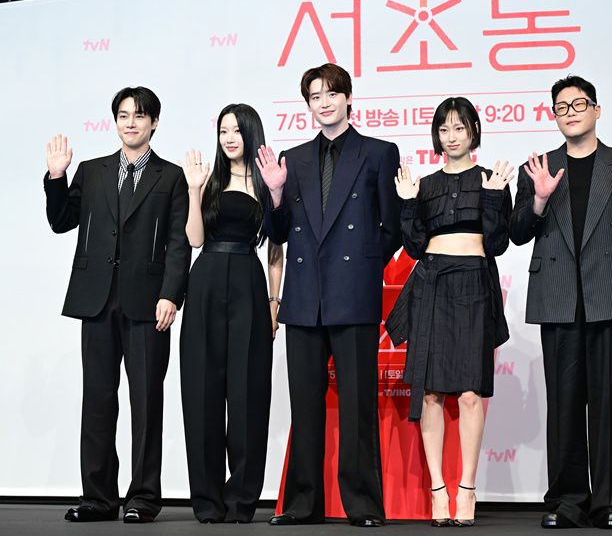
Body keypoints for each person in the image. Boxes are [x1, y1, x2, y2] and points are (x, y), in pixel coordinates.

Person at [509, 75, 612, 529]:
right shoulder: (537, 167)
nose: (571, 112)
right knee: (564, 404)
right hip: (558, 297)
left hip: (609, 295)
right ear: (553, 116)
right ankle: (568, 502)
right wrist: (538, 201)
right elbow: (516, 232)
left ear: (597, 110)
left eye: (579, 104)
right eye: (562, 107)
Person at [255, 63, 402, 528]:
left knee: (358, 405)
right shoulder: (293, 159)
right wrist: (274, 195)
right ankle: (303, 503)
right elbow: (278, 232)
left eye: (331, 93)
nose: (324, 102)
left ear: (348, 97)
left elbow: (393, 226)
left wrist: (363, 266)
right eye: (315, 96)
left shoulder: (378, 152)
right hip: (303, 298)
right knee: (305, 406)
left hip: (353, 294)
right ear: (308, 105)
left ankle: (363, 504)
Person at [43, 87, 190, 523]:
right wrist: (56, 177)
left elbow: (179, 243)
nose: (131, 122)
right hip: (97, 300)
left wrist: (171, 294)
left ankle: (143, 497)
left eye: (139, 116)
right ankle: (98, 498)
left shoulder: (171, 176)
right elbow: (61, 221)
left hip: (149, 303)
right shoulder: (91, 171)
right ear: (115, 121)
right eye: (124, 115)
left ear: (154, 123)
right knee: (98, 399)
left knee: (146, 402)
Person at [385, 97, 512, 527]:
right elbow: (414, 247)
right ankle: (438, 489)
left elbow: (497, 244)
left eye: (459, 128)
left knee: (471, 393)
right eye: (444, 129)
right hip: (433, 285)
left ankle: (467, 488)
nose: (451, 137)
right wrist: (407, 203)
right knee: (431, 393)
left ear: (474, 130)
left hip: (474, 283)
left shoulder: (491, 180)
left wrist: (493, 198)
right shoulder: (424, 185)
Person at [179, 103, 283, 524]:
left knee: (248, 394)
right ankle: (207, 500)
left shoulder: (267, 180)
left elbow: (275, 248)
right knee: (201, 393)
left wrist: (274, 303)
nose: (229, 138)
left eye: (237, 130)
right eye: (223, 130)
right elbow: (194, 239)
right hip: (205, 281)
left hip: (248, 283)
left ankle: (241, 499)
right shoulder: (208, 178)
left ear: (251, 133)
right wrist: (193, 190)